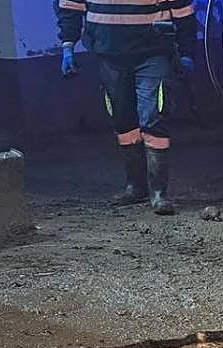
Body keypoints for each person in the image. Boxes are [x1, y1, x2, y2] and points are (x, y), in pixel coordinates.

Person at [57, 0, 197, 215]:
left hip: (153, 51)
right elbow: (71, 6)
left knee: (153, 118)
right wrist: (68, 45)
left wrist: (187, 52)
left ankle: (158, 193)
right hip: (109, 52)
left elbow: (182, 10)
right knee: (123, 121)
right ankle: (136, 186)